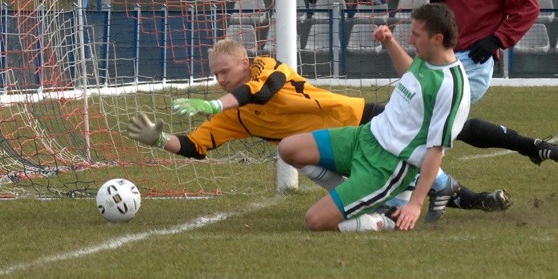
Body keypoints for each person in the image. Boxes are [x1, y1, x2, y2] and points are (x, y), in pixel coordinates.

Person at [127, 39, 510, 217]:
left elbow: (261, 93)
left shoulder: (268, 68)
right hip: (327, 145)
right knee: (294, 152)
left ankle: (469, 195)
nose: (220, 80)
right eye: (214, 76)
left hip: (356, 118)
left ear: (245, 63)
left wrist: (212, 103)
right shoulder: (234, 115)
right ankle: (398, 205)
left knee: (437, 138)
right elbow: (196, 145)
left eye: (224, 72)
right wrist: (160, 139)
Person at [421, 0, 558, 219]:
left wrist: (498, 39)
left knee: (429, 126)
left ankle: (444, 194)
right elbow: (460, 9)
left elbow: (529, 8)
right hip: (446, 59)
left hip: (472, 63)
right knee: (443, 125)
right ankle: (530, 147)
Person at [278, 3, 471, 232]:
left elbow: (436, 150)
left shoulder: (451, 86)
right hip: (365, 136)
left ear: (437, 39)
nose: (411, 40)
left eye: (416, 35)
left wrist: (415, 204)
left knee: (315, 220)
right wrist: (389, 42)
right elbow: (411, 76)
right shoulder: (428, 58)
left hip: (387, 165)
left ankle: (385, 219)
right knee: (289, 148)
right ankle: (361, 199)